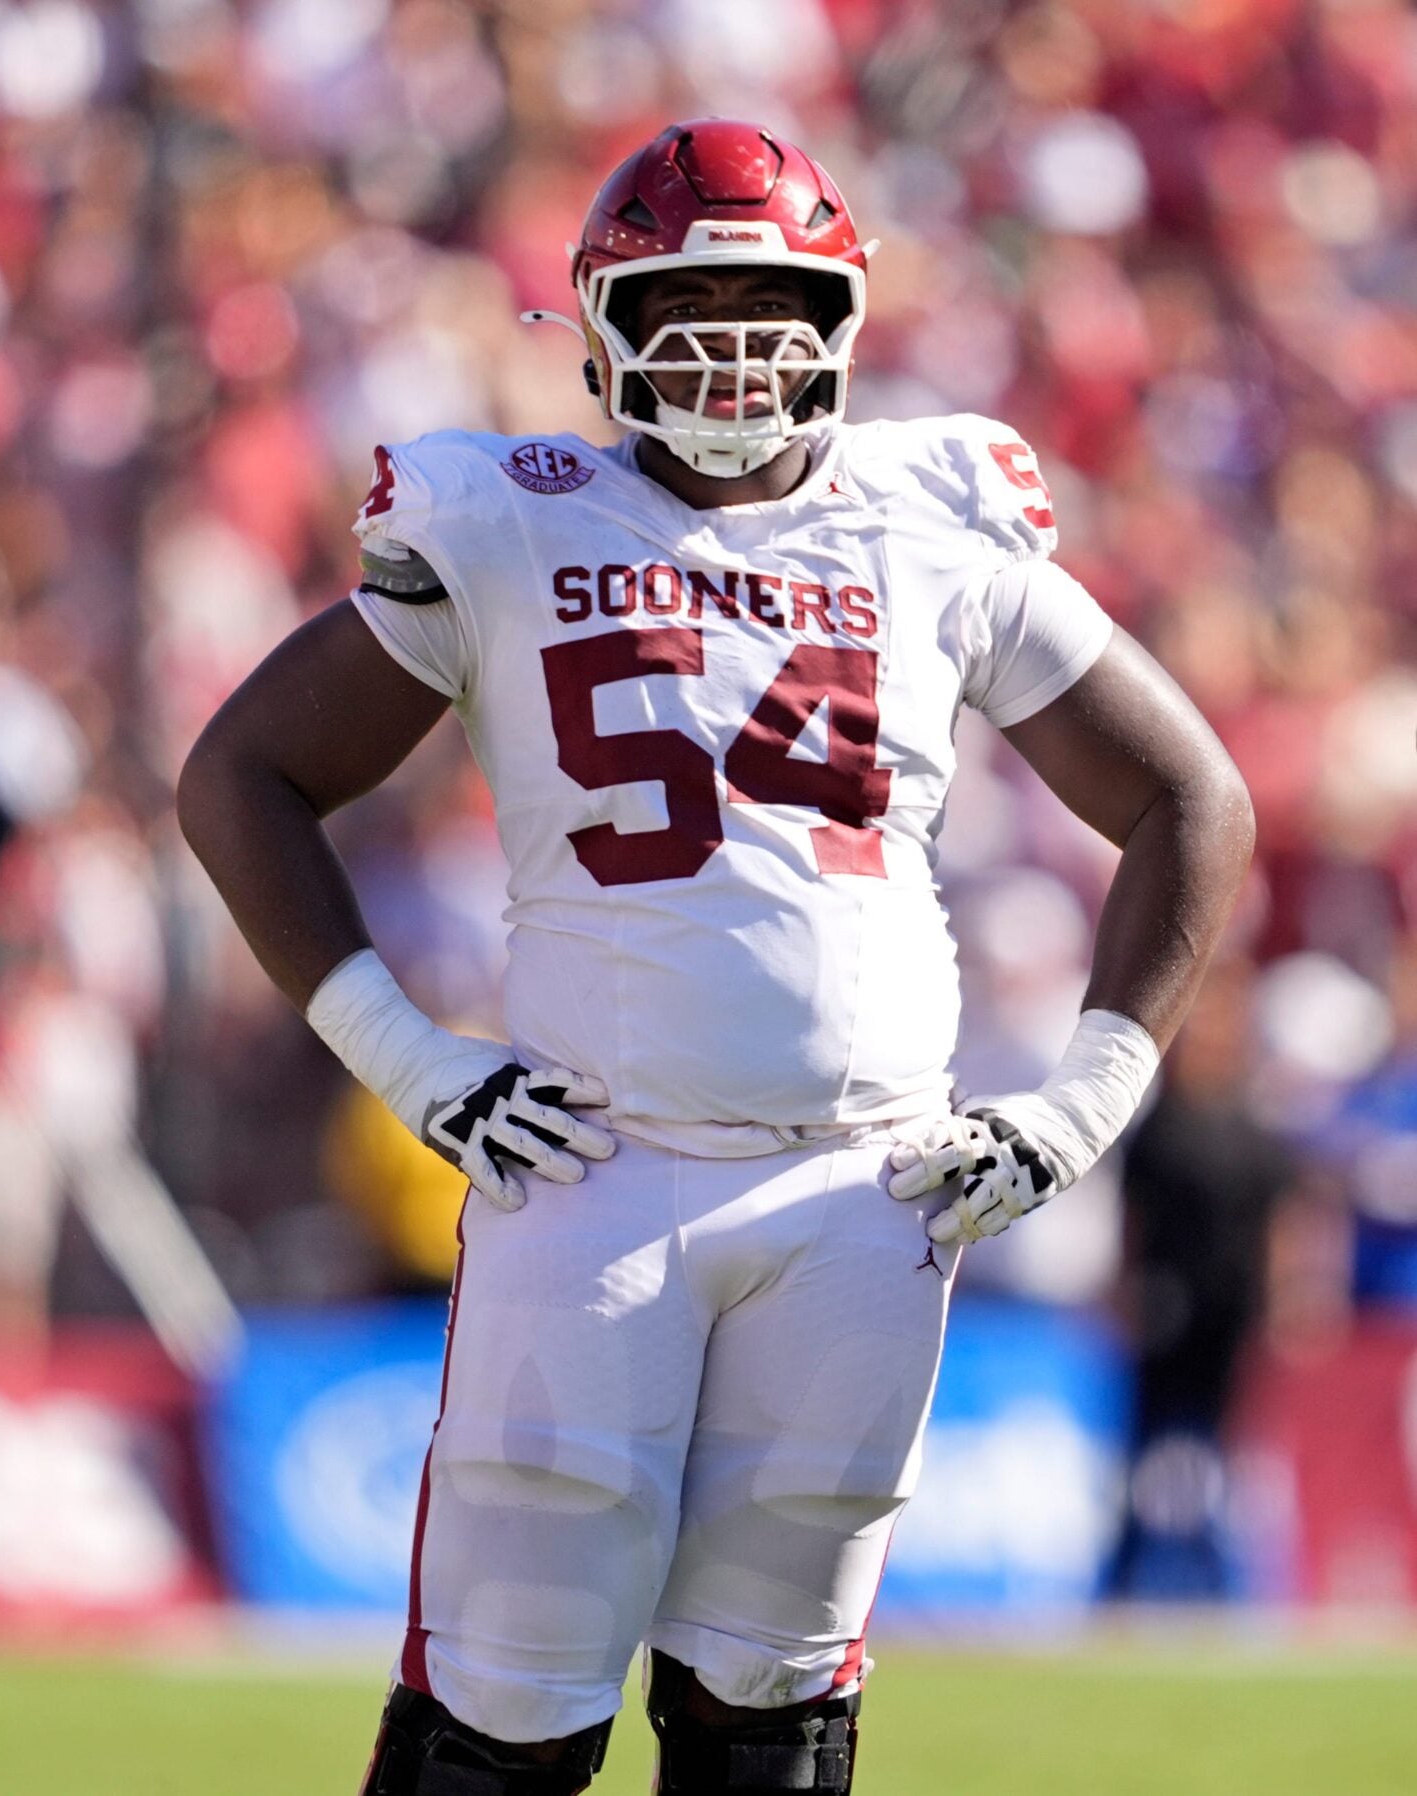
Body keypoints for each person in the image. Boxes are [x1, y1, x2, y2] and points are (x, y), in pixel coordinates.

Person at [179, 119, 1254, 1795]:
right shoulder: (506, 518)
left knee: (780, 1691)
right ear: (604, 321)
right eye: (696, 298)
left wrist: (1085, 1100)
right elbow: (240, 775)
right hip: (597, 1165)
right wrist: (414, 1059)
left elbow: (1191, 794)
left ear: (845, 319)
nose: (741, 343)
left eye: (779, 299)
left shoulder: (934, 513)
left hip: (874, 1186)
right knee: (506, 1697)